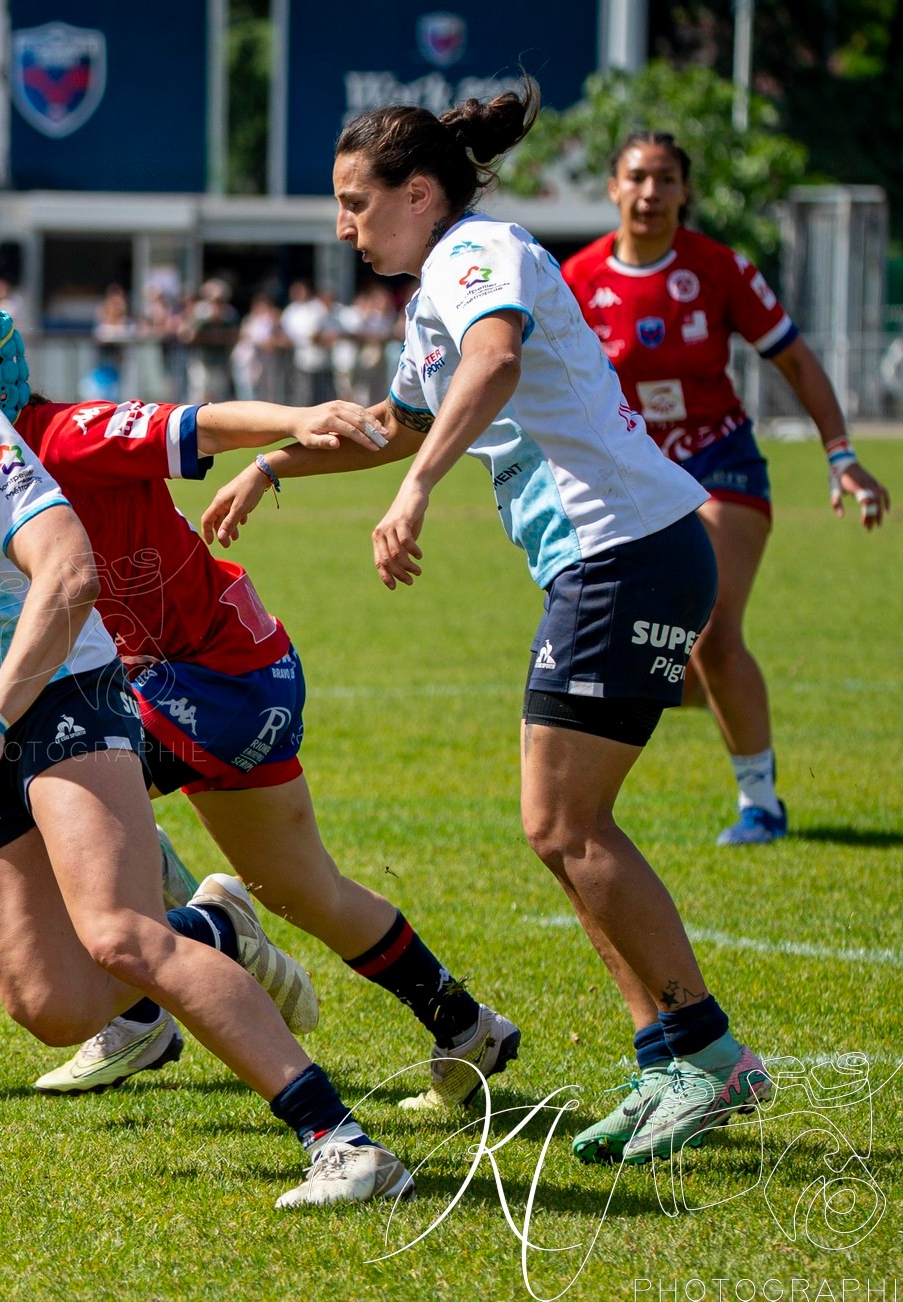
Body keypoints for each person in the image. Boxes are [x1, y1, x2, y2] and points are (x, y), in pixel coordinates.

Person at [0, 262, 413, 1208]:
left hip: (57, 685)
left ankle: (344, 1147)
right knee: (49, 1008)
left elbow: (67, 577)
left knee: (123, 937)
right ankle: (219, 925)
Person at [203, 80, 773, 1166]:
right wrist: (277, 459)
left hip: (631, 554)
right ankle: (673, 1057)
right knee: (561, 831)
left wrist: (417, 489)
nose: (342, 226)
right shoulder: (436, 293)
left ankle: (704, 1057)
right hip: (618, 560)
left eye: (355, 202)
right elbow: (394, 418)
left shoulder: (478, 255)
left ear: (419, 193)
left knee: (567, 825)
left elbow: (496, 362)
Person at [0, 299, 521, 1110]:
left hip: (204, 678)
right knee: (306, 890)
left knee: (51, 796)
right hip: (218, 670)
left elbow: (200, 423)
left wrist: (292, 422)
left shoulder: (63, 435)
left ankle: (175, 969)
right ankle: (464, 1025)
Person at [561, 131, 894, 847]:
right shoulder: (579, 278)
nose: (651, 193)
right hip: (635, 480)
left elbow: (797, 362)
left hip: (722, 463)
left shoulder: (719, 269)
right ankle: (695, 700)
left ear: (685, 191)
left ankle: (761, 805)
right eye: (638, 179)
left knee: (711, 635)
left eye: (667, 179)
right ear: (615, 189)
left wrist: (841, 455)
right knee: (650, 656)